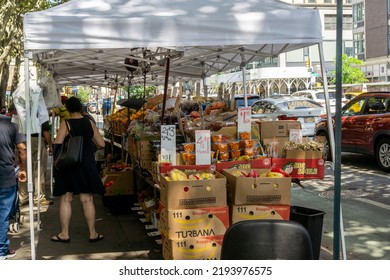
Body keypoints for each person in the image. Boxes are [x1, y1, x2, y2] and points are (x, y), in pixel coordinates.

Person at [51, 96, 105, 243]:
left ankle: (64, 234)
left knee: (66, 198)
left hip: (69, 165)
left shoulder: (66, 124)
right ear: (81, 108)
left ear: (67, 109)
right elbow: (102, 144)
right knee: (87, 199)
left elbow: (57, 143)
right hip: (86, 164)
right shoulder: (90, 123)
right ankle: (93, 233)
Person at [0, 114, 27, 260]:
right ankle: (1, 250)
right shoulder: (12, 124)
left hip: (6, 176)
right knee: (2, 215)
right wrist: (23, 168)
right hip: (5, 175)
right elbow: (22, 149)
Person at [18, 118, 53, 206]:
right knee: (38, 169)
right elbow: (45, 131)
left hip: (21, 139)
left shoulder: (21, 108)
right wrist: (51, 144)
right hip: (36, 139)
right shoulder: (39, 108)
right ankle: (39, 197)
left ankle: (24, 197)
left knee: (24, 168)